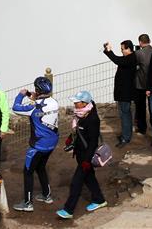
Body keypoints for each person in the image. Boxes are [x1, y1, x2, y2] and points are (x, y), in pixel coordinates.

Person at [56, 91, 107, 220]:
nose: (74, 104)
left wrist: (86, 160)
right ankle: (99, 200)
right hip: (80, 155)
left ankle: (68, 210)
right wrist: (70, 139)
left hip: (86, 157)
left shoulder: (93, 119)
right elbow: (78, 132)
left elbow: (93, 142)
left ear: (84, 103)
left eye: (77, 102)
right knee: (89, 179)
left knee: (76, 183)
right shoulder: (80, 115)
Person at [12, 77, 59, 212]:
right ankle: (47, 195)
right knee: (41, 167)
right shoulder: (54, 102)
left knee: (28, 172)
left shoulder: (33, 107)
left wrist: (21, 95)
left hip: (38, 145)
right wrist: (35, 98)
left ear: (38, 90)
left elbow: (16, 108)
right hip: (53, 142)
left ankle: (27, 203)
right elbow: (42, 107)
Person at [103, 40, 137, 147]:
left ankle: (125, 138)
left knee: (125, 115)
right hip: (123, 93)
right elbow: (118, 59)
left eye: (122, 49)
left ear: (128, 49)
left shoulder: (130, 58)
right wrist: (108, 51)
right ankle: (126, 135)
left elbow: (117, 60)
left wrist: (109, 51)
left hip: (125, 93)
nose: (121, 51)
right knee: (125, 114)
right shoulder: (129, 58)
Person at [133, 34, 152, 135]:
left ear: (140, 42)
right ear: (149, 40)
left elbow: (134, 65)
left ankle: (142, 129)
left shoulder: (138, 53)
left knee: (140, 108)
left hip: (140, 85)